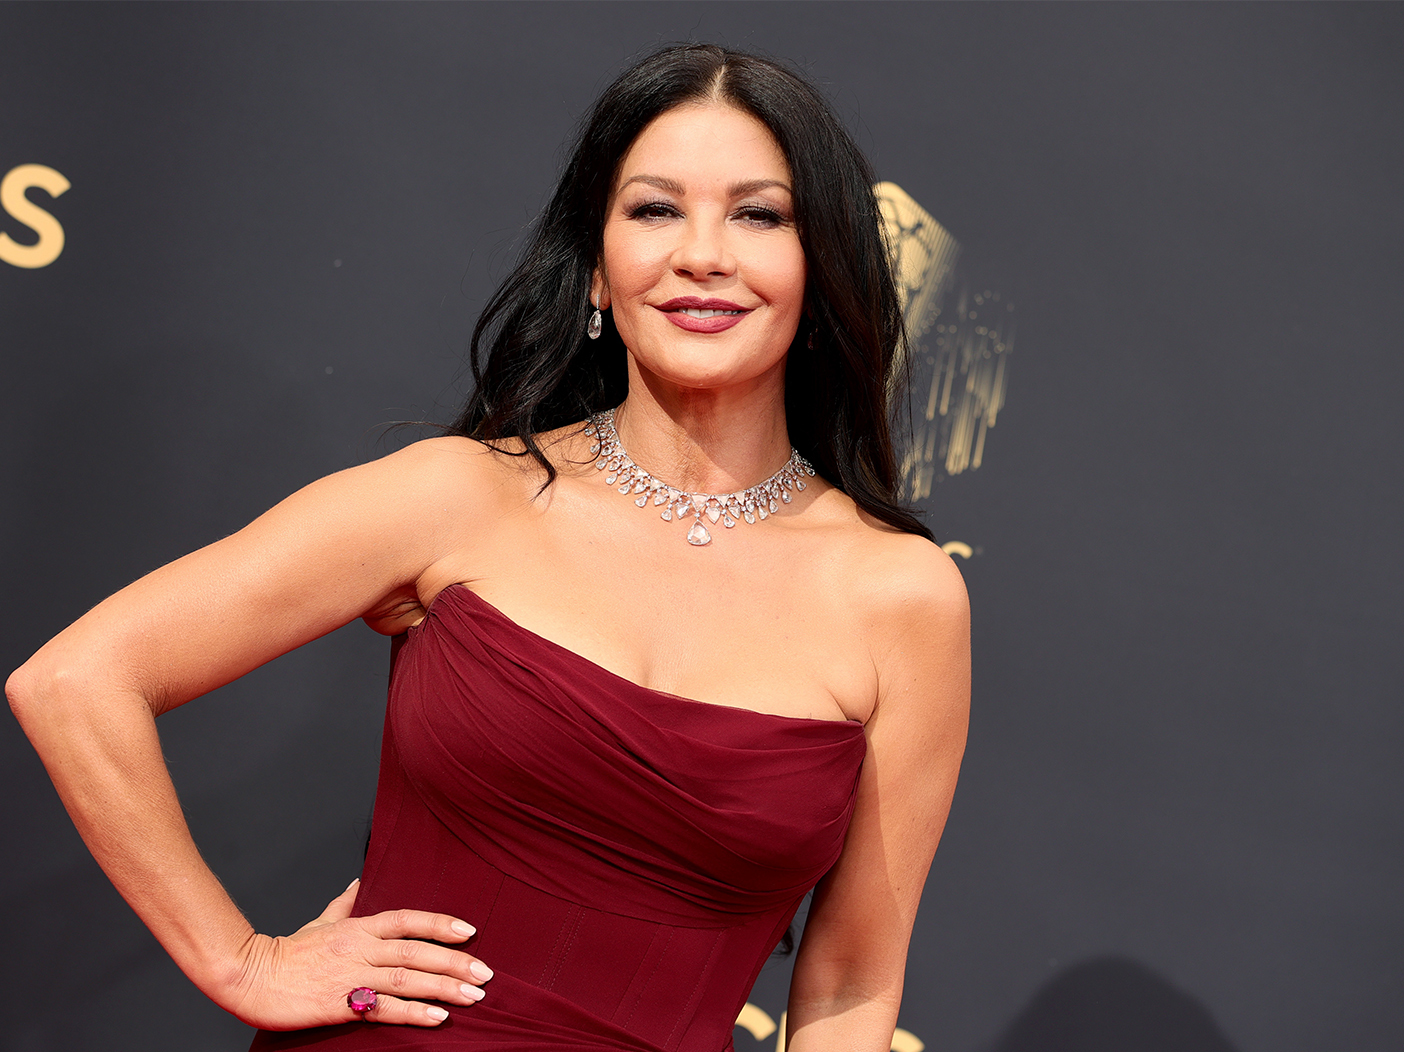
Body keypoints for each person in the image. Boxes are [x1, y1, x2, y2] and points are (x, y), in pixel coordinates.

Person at [7, 43, 968, 1052]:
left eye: (758, 214)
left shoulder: (900, 596)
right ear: (597, 266)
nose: (703, 253)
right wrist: (238, 956)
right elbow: (76, 679)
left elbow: (854, 976)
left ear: (821, 268)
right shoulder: (459, 495)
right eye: (654, 209)